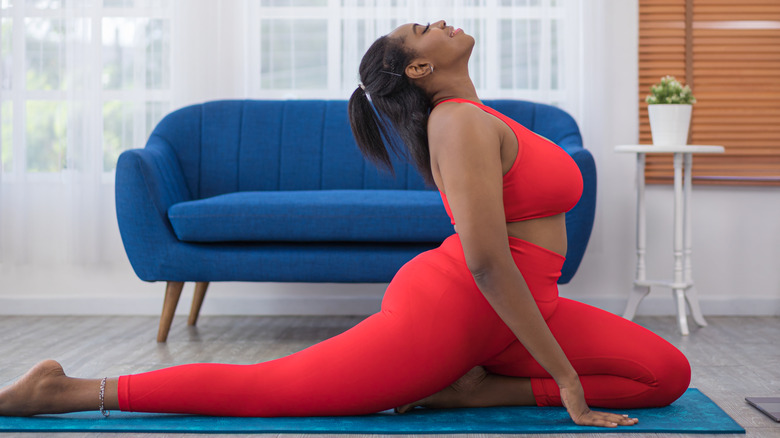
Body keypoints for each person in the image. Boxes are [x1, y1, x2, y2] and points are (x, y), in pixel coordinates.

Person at [0, 21, 690, 427]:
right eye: (422, 29)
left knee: (665, 375)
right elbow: (485, 261)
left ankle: (470, 391)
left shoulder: (477, 117)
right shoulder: (458, 124)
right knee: (272, 390)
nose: (440, 20)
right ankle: (66, 390)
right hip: (456, 312)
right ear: (420, 66)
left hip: (525, 309)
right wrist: (565, 379)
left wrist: (548, 373)